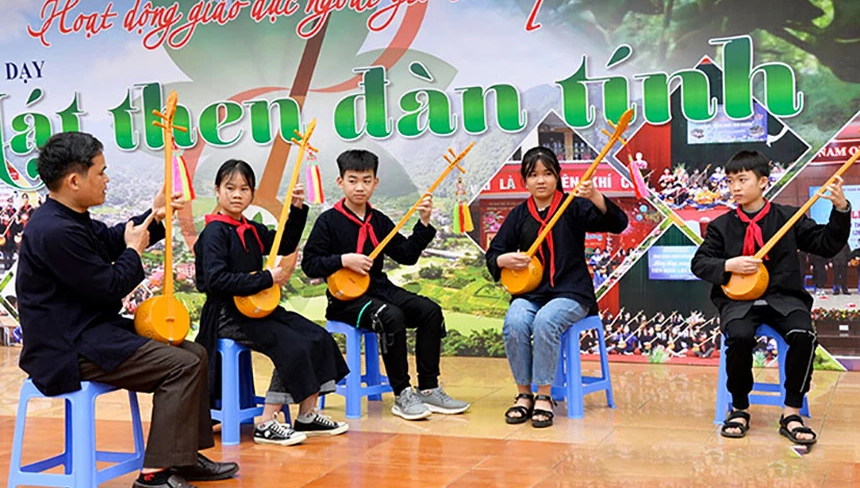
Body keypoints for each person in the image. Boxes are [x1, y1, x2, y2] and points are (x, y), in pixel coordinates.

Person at [16, 132, 237, 488]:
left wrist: (154, 215)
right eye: (101, 173)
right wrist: (134, 251)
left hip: (91, 333)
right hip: (67, 348)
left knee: (195, 353)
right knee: (180, 365)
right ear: (74, 180)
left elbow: (114, 237)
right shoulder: (54, 230)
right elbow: (109, 288)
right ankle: (154, 478)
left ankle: (180, 457)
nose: (107, 180)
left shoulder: (72, 218)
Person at [691, 150, 849, 446]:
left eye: (742, 179)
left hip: (784, 297)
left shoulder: (789, 218)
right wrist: (729, 265)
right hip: (739, 301)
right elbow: (699, 263)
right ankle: (739, 409)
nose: (735, 187)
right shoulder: (721, 226)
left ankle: (791, 412)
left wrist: (840, 210)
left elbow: (827, 245)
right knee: (738, 335)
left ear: (763, 182)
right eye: (730, 181)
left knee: (803, 335)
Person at [301, 149, 469, 421]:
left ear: (375, 183)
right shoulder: (328, 221)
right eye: (353, 180)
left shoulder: (379, 220)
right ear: (340, 182)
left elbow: (406, 255)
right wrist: (344, 260)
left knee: (430, 311)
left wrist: (424, 223)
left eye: (366, 180)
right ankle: (402, 393)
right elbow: (310, 264)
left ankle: (428, 388)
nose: (360, 187)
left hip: (380, 289)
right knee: (390, 315)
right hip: (345, 301)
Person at [194, 160, 349, 445]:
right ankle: (267, 422)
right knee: (291, 345)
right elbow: (216, 281)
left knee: (317, 336)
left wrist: (297, 209)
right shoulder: (214, 232)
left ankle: (307, 414)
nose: (237, 195)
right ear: (217, 191)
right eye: (230, 188)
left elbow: (284, 242)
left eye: (244, 189)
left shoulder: (250, 228)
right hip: (227, 315)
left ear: (252, 194)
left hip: (258, 308)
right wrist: (266, 278)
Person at [485, 147, 628, 427]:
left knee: (546, 320)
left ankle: (544, 395)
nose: (541, 181)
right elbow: (494, 253)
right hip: (532, 292)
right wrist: (505, 258)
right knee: (514, 321)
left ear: (558, 177)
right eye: (533, 175)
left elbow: (618, 224)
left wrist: (596, 197)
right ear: (524, 181)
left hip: (572, 292)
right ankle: (523, 394)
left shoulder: (573, 206)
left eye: (547, 174)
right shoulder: (518, 215)